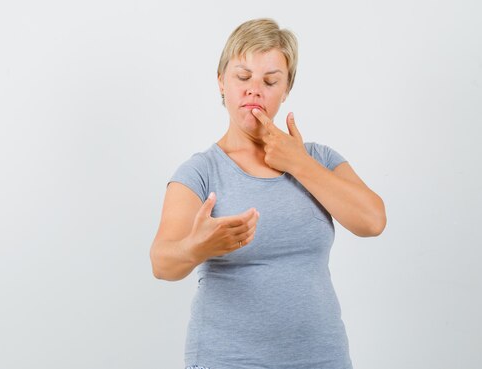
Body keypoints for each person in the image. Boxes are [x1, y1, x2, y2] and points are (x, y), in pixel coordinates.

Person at [150, 18, 386, 369]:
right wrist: (197, 246)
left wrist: (299, 163)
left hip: (322, 359)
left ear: (286, 88)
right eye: (242, 77)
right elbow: (162, 263)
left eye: (270, 80)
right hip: (229, 360)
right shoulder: (200, 172)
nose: (254, 89)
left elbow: (372, 220)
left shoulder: (318, 159)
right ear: (221, 83)